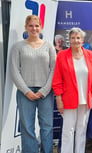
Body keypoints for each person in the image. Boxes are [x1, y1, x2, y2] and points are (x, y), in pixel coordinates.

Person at [10, 15, 56, 153]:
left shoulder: (49, 47)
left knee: (47, 127)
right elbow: (14, 70)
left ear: (41, 27)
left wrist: (44, 90)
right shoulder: (18, 47)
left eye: (36, 26)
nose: (34, 28)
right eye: (31, 25)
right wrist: (26, 91)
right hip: (25, 93)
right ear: (26, 27)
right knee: (27, 127)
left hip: (45, 92)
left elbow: (54, 70)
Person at [52, 27, 92, 153]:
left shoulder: (90, 55)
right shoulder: (62, 55)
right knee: (68, 130)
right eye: (73, 38)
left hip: (86, 99)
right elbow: (57, 78)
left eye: (78, 38)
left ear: (82, 39)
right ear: (69, 40)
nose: (76, 40)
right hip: (68, 100)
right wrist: (59, 98)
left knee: (82, 129)